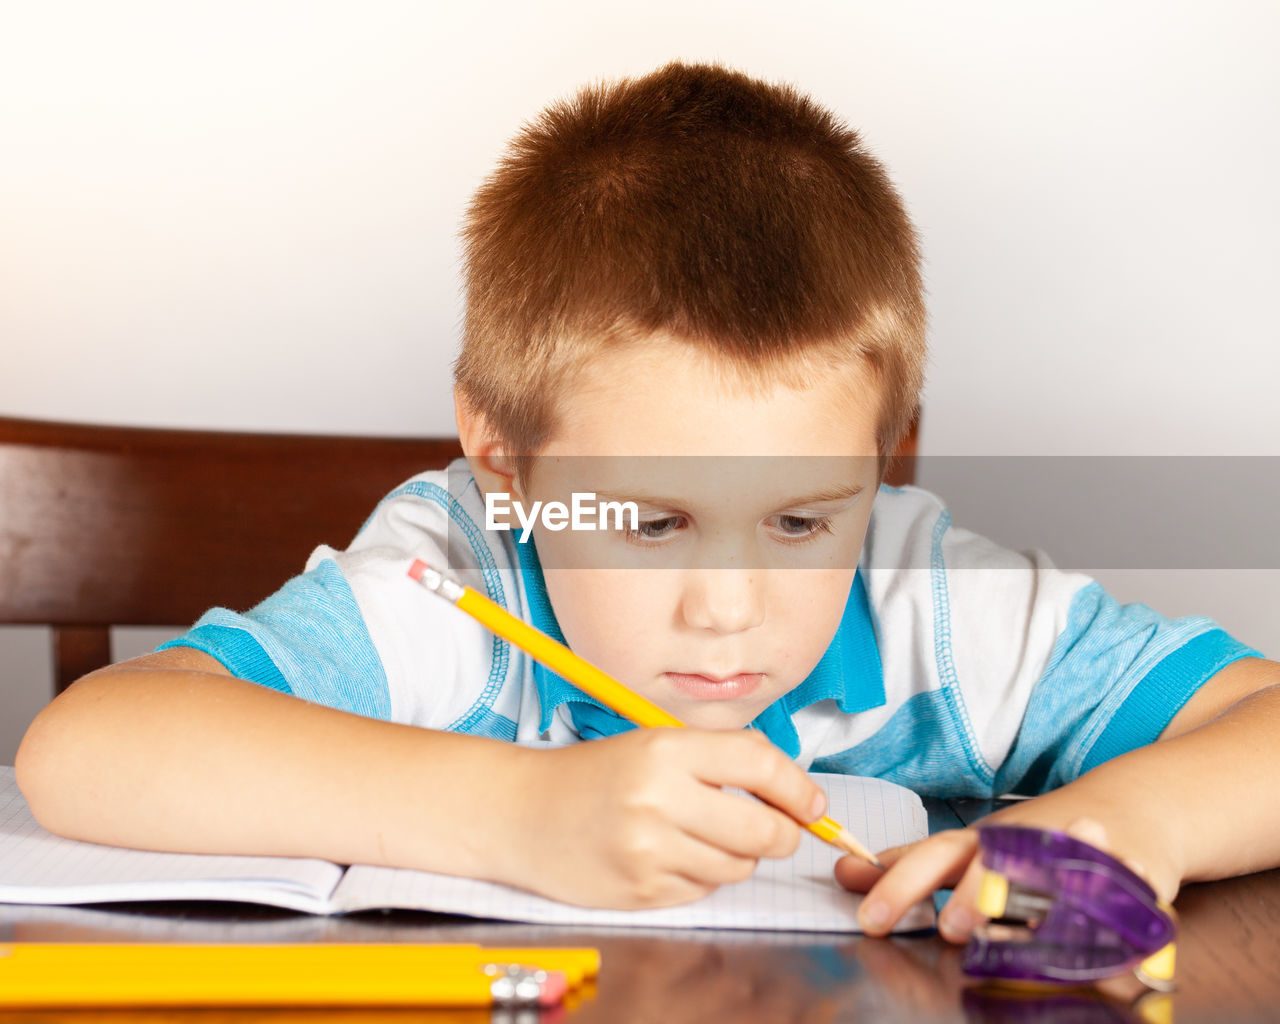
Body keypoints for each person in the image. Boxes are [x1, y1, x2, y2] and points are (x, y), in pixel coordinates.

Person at [16, 61, 1279, 943]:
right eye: (650, 521)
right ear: (501, 457)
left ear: (884, 461)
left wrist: (1127, 817)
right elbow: (86, 750)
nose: (728, 609)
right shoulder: (460, 571)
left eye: (799, 521)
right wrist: (520, 812)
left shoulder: (934, 608)